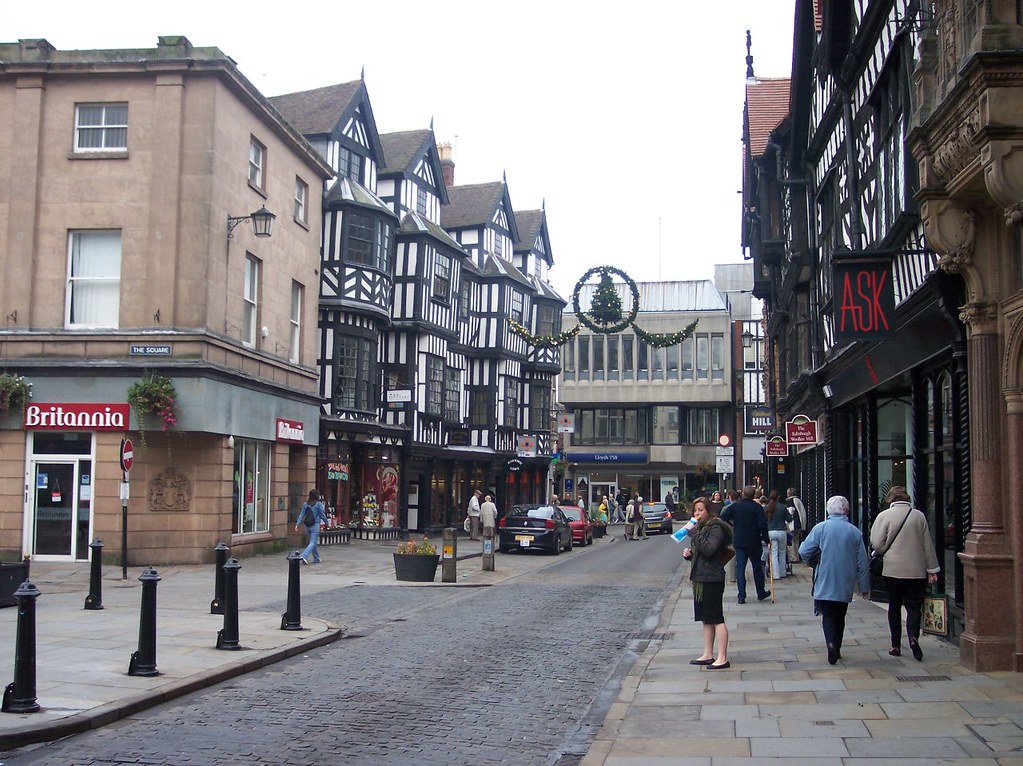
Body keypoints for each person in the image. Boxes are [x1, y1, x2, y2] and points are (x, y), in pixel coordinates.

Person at [870, 486, 940, 661]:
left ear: (890, 500)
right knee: (914, 606)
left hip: (892, 570)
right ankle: (913, 638)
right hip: (916, 570)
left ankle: (895, 645)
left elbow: (877, 544)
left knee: (894, 605)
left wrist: (883, 550)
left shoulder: (884, 516)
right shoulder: (918, 516)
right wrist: (932, 569)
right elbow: (927, 545)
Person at [798, 495, 870, 665]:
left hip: (824, 577)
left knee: (828, 614)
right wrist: (864, 586)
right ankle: (836, 646)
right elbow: (862, 562)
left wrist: (812, 561)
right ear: (846, 510)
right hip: (845, 580)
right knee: (840, 614)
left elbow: (803, 550)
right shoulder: (854, 531)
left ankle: (830, 643)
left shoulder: (820, 528)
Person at [681, 496, 733, 669]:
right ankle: (708, 654)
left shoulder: (715, 528)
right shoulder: (701, 528)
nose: (697, 513)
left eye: (700, 510)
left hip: (712, 578)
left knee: (716, 618)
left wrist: (695, 534)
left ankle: (722, 657)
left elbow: (710, 550)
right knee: (706, 619)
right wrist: (689, 554)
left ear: (708, 511)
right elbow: (701, 552)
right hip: (700, 577)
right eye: (695, 510)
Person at [721, 486, 771, 604]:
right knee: (757, 567)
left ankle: (741, 595)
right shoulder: (757, 507)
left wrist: (733, 524)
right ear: (753, 495)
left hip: (739, 540)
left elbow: (723, 517)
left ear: (743, 494)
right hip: (754, 540)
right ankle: (760, 592)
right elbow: (762, 526)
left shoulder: (735, 506)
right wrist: (767, 540)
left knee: (740, 568)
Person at [765, 490, 792, 580]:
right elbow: (789, 519)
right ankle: (782, 572)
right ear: (778, 497)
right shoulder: (782, 507)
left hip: (771, 532)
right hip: (781, 531)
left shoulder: (767, 508)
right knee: (782, 552)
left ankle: (775, 574)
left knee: (773, 553)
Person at [294, 489, 326, 565]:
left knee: (312, 542)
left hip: (307, 526)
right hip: (315, 525)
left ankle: (316, 558)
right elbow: (322, 515)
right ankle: (304, 556)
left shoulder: (305, 504)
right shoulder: (318, 505)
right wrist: (327, 523)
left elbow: (301, 515)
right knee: (312, 542)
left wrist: (297, 525)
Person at [785, 487, 807, 562]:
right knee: (796, 541)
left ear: (789, 494)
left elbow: (790, 512)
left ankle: (793, 558)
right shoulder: (798, 500)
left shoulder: (789, 501)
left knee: (790, 541)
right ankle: (797, 557)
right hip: (799, 524)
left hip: (792, 524)